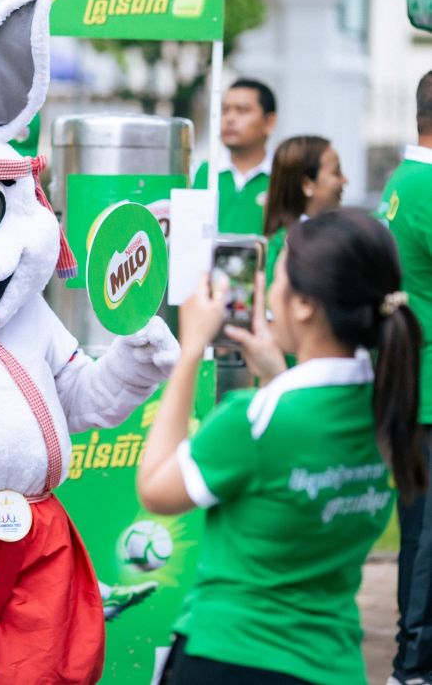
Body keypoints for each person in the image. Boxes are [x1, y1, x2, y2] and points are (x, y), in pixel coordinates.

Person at [138, 208, 424, 685]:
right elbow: (312, 433)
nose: (268, 291)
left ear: (305, 304)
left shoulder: (252, 421)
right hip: (331, 666)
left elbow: (155, 489)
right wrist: (279, 374)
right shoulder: (390, 413)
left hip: (229, 657)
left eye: (277, 275)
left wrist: (189, 352)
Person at [385, 69, 432, 685]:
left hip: (412, 385)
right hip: (426, 390)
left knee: (419, 534)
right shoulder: (425, 187)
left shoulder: (404, 182)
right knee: (425, 543)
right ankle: (414, 665)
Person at [193, 78, 278, 234]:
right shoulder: (202, 174)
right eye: (224, 110)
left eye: (242, 110)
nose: (229, 119)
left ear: (269, 122)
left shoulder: (283, 178)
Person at [261, 135, 347, 285]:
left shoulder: (332, 233)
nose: (345, 180)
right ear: (307, 184)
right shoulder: (282, 247)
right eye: (336, 172)